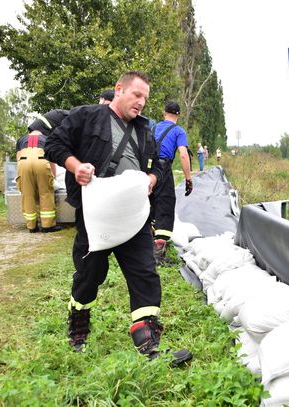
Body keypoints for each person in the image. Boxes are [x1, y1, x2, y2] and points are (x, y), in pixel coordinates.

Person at [44, 71, 192, 366]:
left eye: (145, 99)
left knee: (145, 274)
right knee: (89, 277)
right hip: (96, 216)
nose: (141, 103)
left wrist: (152, 177)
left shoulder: (144, 130)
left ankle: (149, 344)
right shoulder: (86, 117)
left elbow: (159, 165)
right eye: (137, 95)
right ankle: (79, 325)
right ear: (119, 89)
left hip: (134, 216)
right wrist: (76, 167)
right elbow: (54, 146)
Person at [151, 101, 192, 264]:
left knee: (149, 204)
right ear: (178, 115)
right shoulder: (178, 131)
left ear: (164, 113)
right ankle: (158, 250)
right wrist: (188, 178)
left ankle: (146, 243)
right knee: (166, 204)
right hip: (163, 168)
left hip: (147, 169)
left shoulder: (153, 127)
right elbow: (183, 154)